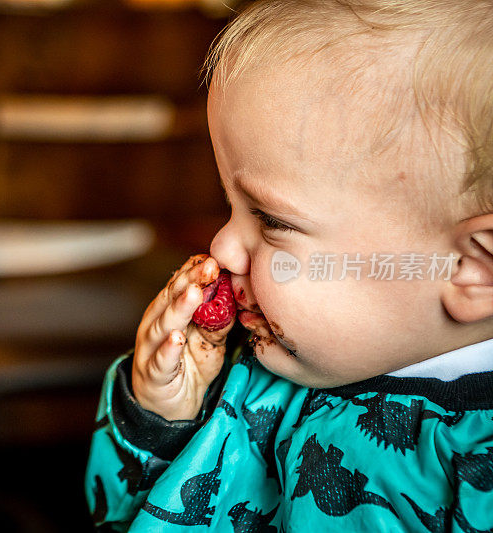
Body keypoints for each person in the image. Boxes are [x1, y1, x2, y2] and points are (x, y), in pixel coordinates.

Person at [85, 1, 493, 530]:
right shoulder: (254, 380)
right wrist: (161, 418)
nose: (223, 247)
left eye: (271, 219)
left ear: (473, 267)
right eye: (229, 204)